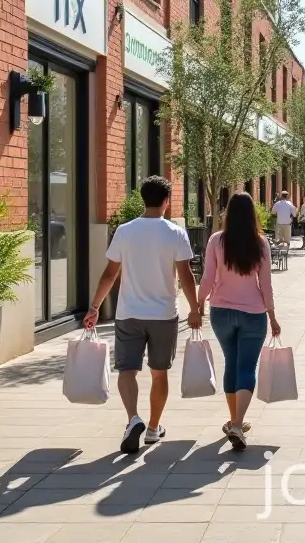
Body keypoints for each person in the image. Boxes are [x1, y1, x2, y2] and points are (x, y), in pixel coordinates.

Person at [85, 176, 202, 454]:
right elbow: (185, 275)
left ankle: (132, 419)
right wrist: (195, 309)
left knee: (127, 370)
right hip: (163, 314)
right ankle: (152, 428)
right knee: (159, 374)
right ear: (166, 201)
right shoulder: (175, 233)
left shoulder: (125, 231)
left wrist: (94, 307)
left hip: (129, 314)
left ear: (143, 200)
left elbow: (110, 273)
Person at [197, 192, 281, 452]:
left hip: (221, 311)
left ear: (228, 214)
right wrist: (272, 315)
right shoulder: (260, 243)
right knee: (246, 367)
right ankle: (237, 423)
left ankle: (234, 420)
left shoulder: (216, 240)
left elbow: (207, 278)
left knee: (230, 364)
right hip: (253, 313)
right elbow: (265, 284)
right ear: (253, 214)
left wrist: (198, 306)